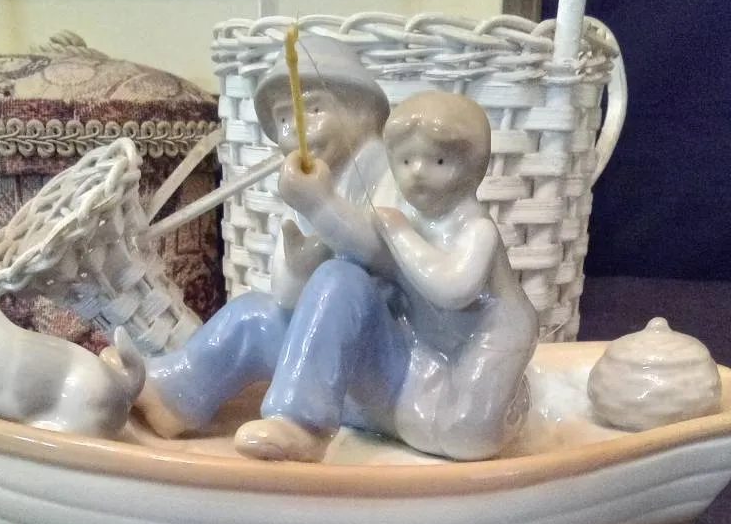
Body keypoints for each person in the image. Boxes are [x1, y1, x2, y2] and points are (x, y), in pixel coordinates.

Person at [230, 90, 538, 462]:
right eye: (405, 161)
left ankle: (503, 401)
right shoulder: (404, 216)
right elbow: (369, 251)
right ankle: (184, 397)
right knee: (329, 281)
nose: (417, 172)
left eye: (438, 160)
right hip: (418, 351)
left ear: (473, 166)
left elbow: (454, 288)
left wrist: (399, 234)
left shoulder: (475, 228)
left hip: (481, 346)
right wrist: (315, 231)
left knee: (466, 437)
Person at [129, 36, 394, 444]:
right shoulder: (308, 187)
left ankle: (302, 423)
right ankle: (173, 395)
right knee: (252, 315)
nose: (296, 132)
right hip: (335, 368)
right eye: (284, 120)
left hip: (390, 365)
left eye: (314, 110)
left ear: (361, 108)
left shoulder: (392, 174)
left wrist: (323, 208)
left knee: (341, 278)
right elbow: (286, 297)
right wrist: (298, 267)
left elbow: (388, 257)